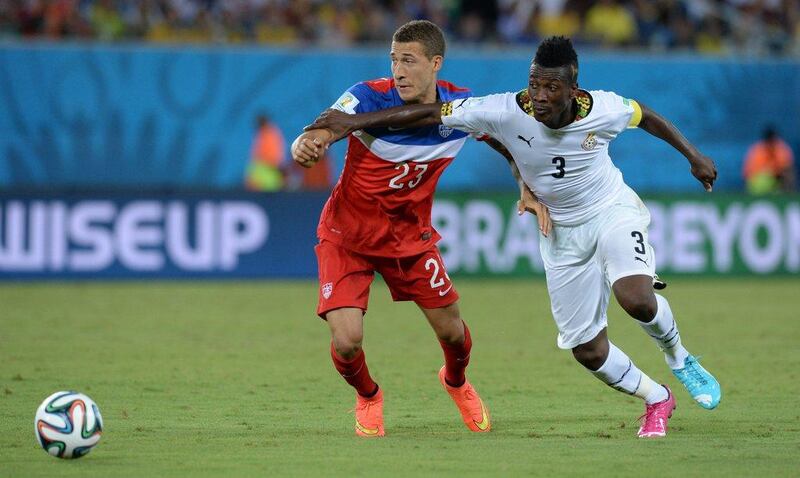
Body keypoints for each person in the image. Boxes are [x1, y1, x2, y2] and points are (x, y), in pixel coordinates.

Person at [306, 36, 723, 439]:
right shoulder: (503, 110)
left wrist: (694, 155)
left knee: (634, 297)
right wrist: (352, 124)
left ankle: (680, 358)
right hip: (559, 231)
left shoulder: (606, 108)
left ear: (573, 88)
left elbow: (646, 115)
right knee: (588, 351)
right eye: (534, 85)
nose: (539, 96)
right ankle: (657, 399)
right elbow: (430, 115)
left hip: (611, 211)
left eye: (550, 87)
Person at [291, 20, 549, 438]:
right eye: (394, 59)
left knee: (453, 333)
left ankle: (456, 382)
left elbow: (507, 142)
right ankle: (369, 396)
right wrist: (307, 143)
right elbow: (324, 126)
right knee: (347, 341)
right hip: (347, 236)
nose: (398, 70)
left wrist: (525, 186)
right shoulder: (367, 96)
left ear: (435, 63)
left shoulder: (461, 106)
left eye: (408, 61)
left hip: (409, 239)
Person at [743, 125, 796, 194]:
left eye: (773, 140)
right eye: (770, 140)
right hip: (757, 184)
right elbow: (749, 173)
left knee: (788, 174)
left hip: (777, 181)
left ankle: (786, 195)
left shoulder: (781, 149)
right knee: (763, 179)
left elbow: (787, 168)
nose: (771, 143)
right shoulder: (757, 150)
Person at [245, 113, 286, 191]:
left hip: (268, 177)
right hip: (263, 177)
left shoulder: (269, 134)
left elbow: (273, 157)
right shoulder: (264, 134)